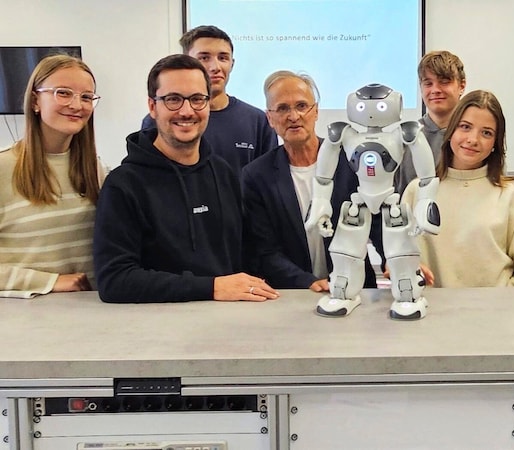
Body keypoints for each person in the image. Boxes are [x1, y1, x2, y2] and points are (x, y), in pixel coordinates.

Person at [93, 54, 278, 303]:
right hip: (154, 331)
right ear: (152, 106)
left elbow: (247, 254)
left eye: (197, 99)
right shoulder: (123, 185)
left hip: (228, 323)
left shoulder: (223, 173)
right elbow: (114, 281)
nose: (187, 110)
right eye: (173, 100)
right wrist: (211, 288)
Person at [241, 71, 378, 290]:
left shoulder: (351, 161)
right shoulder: (256, 176)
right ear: (270, 118)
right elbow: (264, 250)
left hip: (357, 288)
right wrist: (309, 282)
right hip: (292, 295)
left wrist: (395, 259)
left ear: (316, 112)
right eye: (283, 108)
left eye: (302, 106)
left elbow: (378, 220)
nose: (293, 116)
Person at [402, 90, 514, 288]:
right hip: (431, 313)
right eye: (465, 127)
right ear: (451, 130)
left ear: (496, 143)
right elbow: (399, 259)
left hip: (496, 314)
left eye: (486, 133)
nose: (473, 139)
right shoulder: (417, 191)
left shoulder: (511, 196)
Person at [0, 54, 103, 298]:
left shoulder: (95, 169)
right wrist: (49, 281)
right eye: (64, 93)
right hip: (30, 322)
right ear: (35, 100)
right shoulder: (4, 168)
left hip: (94, 318)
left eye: (87, 97)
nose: (77, 105)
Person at [141, 25, 277, 171]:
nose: (215, 67)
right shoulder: (160, 120)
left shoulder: (257, 121)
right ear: (187, 61)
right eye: (204, 58)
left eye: (223, 58)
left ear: (232, 64)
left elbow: (268, 181)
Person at [394, 50, 466, 195]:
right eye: (428, 83)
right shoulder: (405, 138)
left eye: (444, 82)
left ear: (462, 86)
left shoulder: (473, 137)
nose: (435, 90)